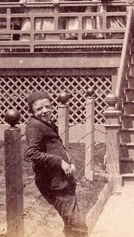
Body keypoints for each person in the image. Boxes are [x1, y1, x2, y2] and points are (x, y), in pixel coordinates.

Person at [24, 91, 87, 237]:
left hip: (61, 179)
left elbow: (53, 145)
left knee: (70, 220)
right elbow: (30, 153)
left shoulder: (46, 123)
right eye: (39, 109)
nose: (45, 111)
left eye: (47, 106)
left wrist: (67, 160)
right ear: (32, 111)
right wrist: (59, 161)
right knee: (78, 224)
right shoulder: (35, 126)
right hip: (53, 182)